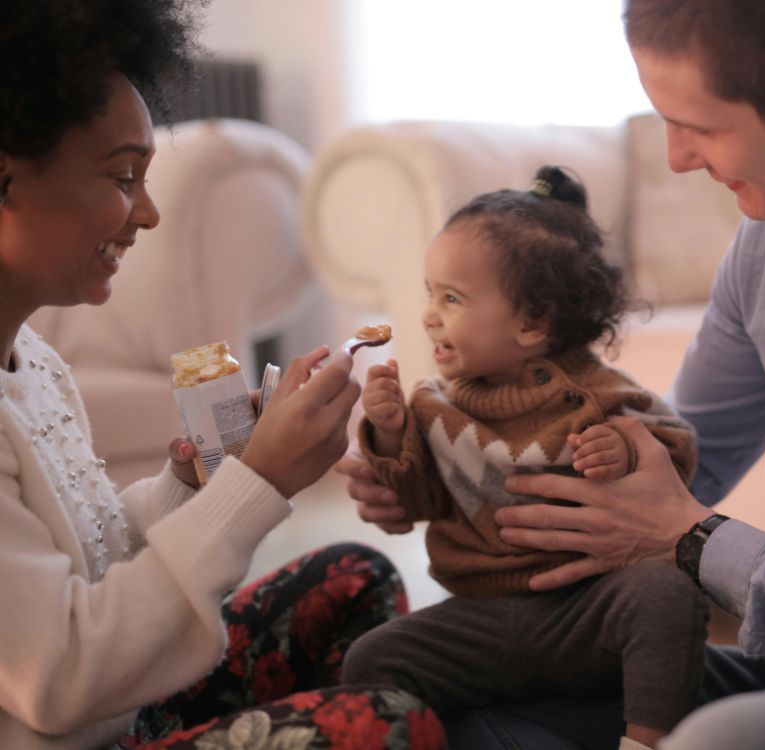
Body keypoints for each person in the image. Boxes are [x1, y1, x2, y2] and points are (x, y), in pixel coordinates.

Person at [339, 0, 765, 748]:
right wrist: (437, 472)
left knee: (720, 739)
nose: (676, 159)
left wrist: (692, 538)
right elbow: (685, 455)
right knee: (441, 709)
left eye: (702, 126)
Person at [0, 2, 445, 749]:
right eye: (122, 176)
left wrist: (205, 480)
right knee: (391, 726)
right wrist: (258, 486)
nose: (147, 213)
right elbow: (59, 674)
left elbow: (90, 560)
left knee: (351, 577)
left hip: (116, 716)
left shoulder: (33, 362)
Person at [340, 165, 708, 750]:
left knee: (666, 598)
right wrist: (385, 435)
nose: (430, 314)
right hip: (482, 620)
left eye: (453, 298)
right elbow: (413, 503)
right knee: (373, 657)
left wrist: (624, 455)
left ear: (532, 322)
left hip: (589, 613)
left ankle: (645, 741)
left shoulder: (599, 394)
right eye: (430, 295)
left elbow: (675, 453)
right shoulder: (433, 408)